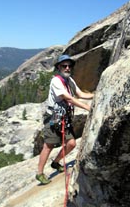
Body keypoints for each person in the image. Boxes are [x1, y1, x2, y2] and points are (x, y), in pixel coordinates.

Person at [36, 54, 94, 185]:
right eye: (64, 66)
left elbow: (80, 94)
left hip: (64, 117)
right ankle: (39, 173)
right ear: (59, 68)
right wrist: (87, 108)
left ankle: (55, 163)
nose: (67, 68)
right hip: (54, 117)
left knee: (71, 144)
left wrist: (95, 95)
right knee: (49, 145)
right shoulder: (56, 81)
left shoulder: (69, 80)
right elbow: (68, 98)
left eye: (69, 66)